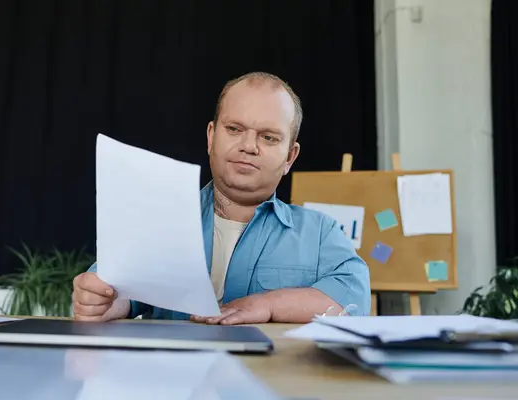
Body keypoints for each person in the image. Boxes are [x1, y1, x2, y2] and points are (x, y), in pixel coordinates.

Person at [72, 71, 371, 325]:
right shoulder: (161, 218)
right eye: (234, 129)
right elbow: (116, 293)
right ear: (211, 136)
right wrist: (99, 302)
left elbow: (354, 298)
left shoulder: (320, 233)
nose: (249, 146)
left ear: (290, 156)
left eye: (268, 137)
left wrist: (267, 305)